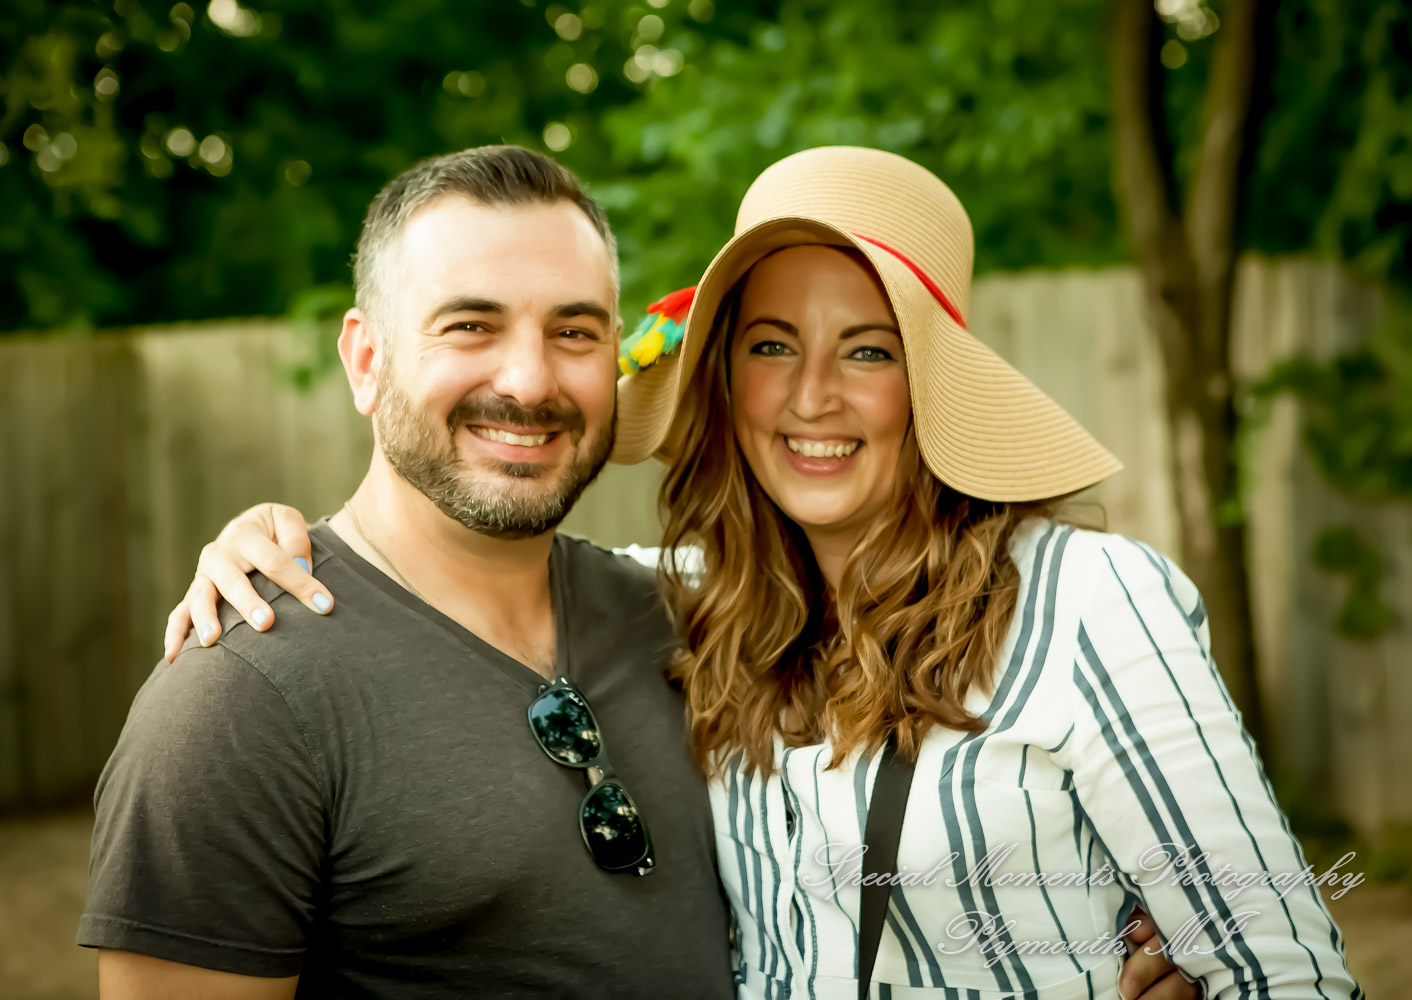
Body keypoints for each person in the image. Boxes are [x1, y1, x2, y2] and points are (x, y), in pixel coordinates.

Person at [152, 148, 1331, 998]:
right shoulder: (686, 605)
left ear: (929, 386)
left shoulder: (1083, 599)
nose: (813, 396)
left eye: (867, 350)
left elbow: (1282, 967)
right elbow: (458, 564)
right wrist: (273, 537)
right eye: (773, 345)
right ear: (724, 374)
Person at [78, 146, 735, 999]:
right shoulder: (241, 700)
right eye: (470, 325)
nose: (529, 381)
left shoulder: (685, 620)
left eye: (574, 332)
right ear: (366, 360)